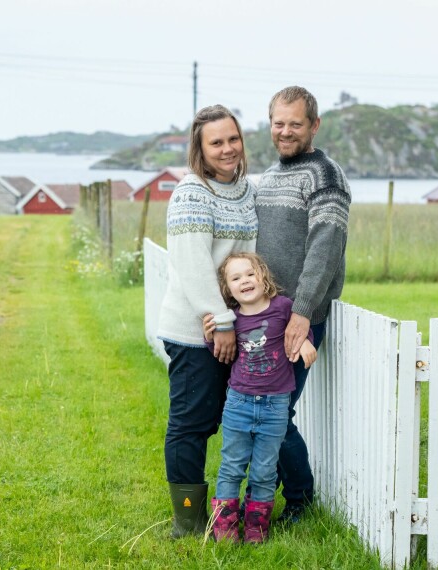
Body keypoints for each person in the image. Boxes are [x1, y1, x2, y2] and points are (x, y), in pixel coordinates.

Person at [157, 104, 258, 538]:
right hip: (196, 328)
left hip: (229, 325)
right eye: (216, 142)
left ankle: (223, 512)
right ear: (200, 149)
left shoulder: (245, 190)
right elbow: (193, 264)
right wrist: (218, 318)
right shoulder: (192, 193)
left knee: (217, 420)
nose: (227, 148)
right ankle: (187, 521)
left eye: (232, 139)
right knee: (191, 423)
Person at [254, 86, 351, 524]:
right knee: (258, 408)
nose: (286, 131)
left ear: (314, 125)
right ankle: (267, 490)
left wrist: (302, 314)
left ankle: (299, 501)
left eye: (295, 123)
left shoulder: (325, 176)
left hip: (298, 318)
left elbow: (324, 250)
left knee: (277, 412)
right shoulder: (270, 177)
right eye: (279, 123)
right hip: (262, 317)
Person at [202, 252, 316, 543]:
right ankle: (224, 529)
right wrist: (209, 333)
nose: (245, 281)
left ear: (263, 278)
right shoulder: (231, 320)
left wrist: (304, 344)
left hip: (276, 405)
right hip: (239, 403)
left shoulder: (282, 308)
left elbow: (299, 332)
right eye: (236, 278)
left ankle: (256, 529)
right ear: (228, 289)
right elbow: (217, 350)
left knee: (265, 470)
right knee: (232, 466)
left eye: (250, 274)